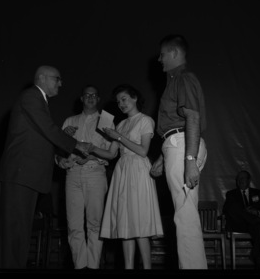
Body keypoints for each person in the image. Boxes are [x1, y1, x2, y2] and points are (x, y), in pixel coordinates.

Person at [0, 65, 92, 269]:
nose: (61, 83)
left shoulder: (38, 101)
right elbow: (48, 128)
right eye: (57, 78)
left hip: (26, 175)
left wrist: (58, 160)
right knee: (15, 235)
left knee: (14, 235)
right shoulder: (31, 96)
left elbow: (38, 139)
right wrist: (76, 144)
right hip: (20, 174)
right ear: (42, 78)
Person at [88, 84, 163, 269]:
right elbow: (111, 154)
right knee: (125, 224)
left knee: (139, 223)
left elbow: (143, 151)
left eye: (124, 99)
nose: (121, 104)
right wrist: (90, 149)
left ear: (135, 98)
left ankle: (147, 266)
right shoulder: (120, 124)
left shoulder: (145, 120)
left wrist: (119, 137)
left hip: (138, 170)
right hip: (122, 171)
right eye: (118, 101)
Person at [149, 34, 208, 269]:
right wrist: (164, 156)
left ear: (174, 53)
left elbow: (192, 118)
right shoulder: (175, 80)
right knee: (184, 215)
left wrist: (190, 160)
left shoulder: (183, 77)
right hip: (178, 145)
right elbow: (177, 123)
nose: (159, 59)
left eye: (162, 54)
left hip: (184, 146)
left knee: (185, 217)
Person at [55, 84, 113, 270]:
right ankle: (80, 266)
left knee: (95, 224)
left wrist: (92, 155)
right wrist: (61, 159)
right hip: (72, 176)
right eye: (86, 95)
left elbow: (112, 151)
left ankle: (93, 266)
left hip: (95, 173)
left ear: (98, 99)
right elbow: (58, 151)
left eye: (94, 95)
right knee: (74, 225)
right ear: (81, 98)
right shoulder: (69, 121)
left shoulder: (106, 120)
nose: (90, 98)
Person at [223, 170, 260, 269]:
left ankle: (258, 261)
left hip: (254, 225)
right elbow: (226, 210)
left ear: (249, 180)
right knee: (234, 208)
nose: (240, 180)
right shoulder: (231, 194)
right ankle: (256, 219)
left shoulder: (258, 193)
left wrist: (257, 212)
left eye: (243, 178)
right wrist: (245, 212)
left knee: (258, 227)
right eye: (238, 179)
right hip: (238, 224)